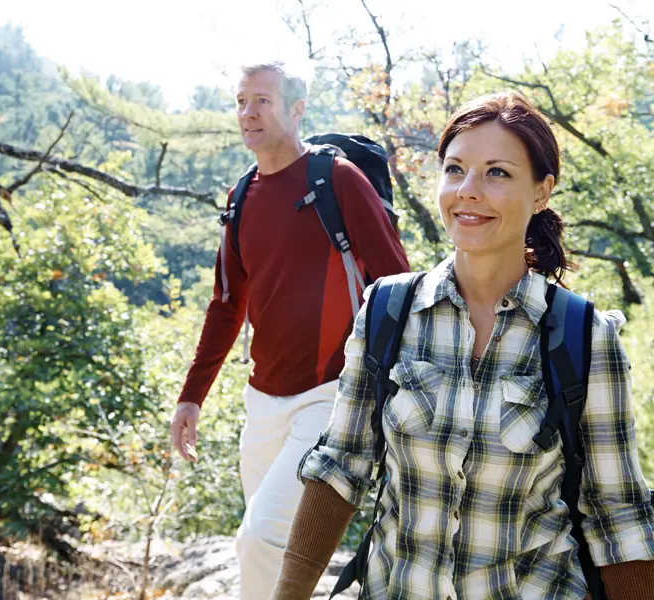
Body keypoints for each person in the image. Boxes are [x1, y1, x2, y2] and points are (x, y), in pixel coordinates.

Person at [271, 92, 654, 600]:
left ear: (542, 192)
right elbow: (342, 467)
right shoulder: (388, 312)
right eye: (455, 170)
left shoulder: (584, 335)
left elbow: (618, 515)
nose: (468, 191)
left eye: (497, 173)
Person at [169, 60, 409, 599]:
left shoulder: (336, 181)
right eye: (241, 102)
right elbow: (226, 304)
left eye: (263, 101)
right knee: (273, 551)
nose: (249, 113)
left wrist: (397, 391)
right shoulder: (241, 197)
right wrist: (192, 397)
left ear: (296, 110)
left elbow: (397, 283)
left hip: (330, 395)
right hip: (262, 400)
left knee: (257, 540)